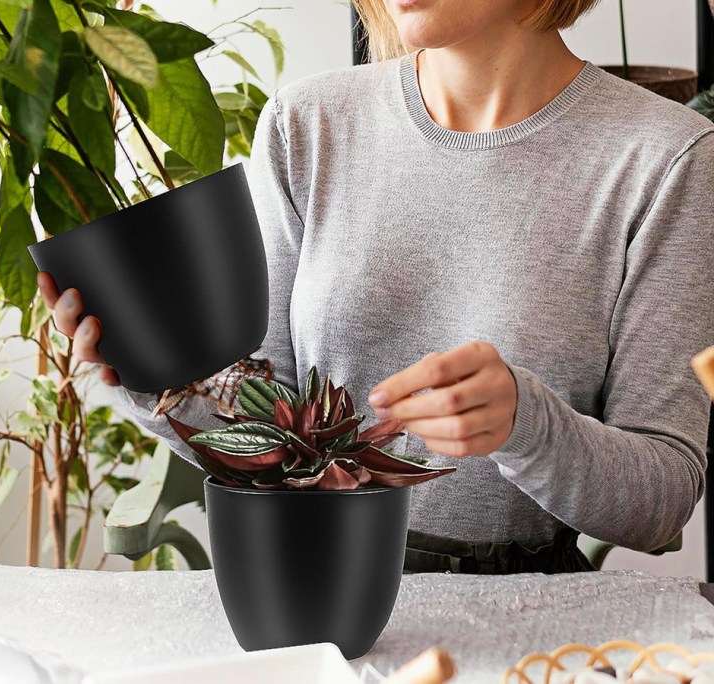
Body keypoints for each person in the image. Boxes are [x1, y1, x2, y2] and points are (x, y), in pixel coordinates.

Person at [37, 0, 714, 574]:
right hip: (310, 597)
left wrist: (525, 424)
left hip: (522, 623)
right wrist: (150, 368)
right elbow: (263, 439)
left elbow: (660, 501)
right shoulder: (308, 125)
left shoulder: (665, 157)